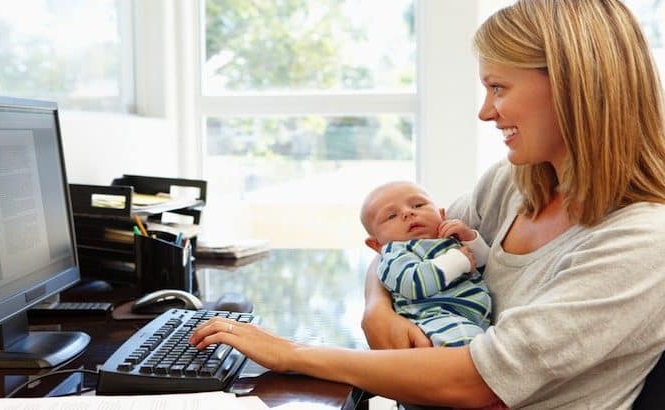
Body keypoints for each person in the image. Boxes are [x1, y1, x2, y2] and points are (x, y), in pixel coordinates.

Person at [190, 0, 665, 407]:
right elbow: (400, 244)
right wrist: (376, 307)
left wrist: (292, 353)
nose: (485, 111)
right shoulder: (514, 185)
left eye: (498, 87)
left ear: (571, 85)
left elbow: (478, 380)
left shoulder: (641, 240)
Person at [360, 180, 491, 347]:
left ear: (441, 214)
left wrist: (470, 238)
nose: (407, 213)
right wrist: (458, 260)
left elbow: (488, 267)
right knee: (471, 349)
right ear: (376, 244)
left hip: (469, 320)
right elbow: (412, 283)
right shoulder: (395, 253)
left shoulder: (449, 238)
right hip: (434, 319)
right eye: (391, 216)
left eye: (418, 205)